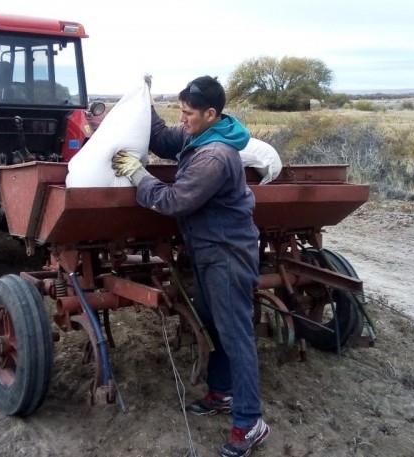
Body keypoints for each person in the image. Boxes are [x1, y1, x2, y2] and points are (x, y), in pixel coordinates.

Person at [111, 75, 269, 457]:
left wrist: (137, 174)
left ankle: (251, 423)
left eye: (188, 113)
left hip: (226, 253)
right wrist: (142, 102)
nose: (182, 119)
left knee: (236, 335)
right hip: (207, 248)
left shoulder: (214, 157)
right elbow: (165, 138)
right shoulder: (199, 137)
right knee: (213, 323)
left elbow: (173, 201)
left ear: (211, 114)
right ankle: (223, 393)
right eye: (180, 111)